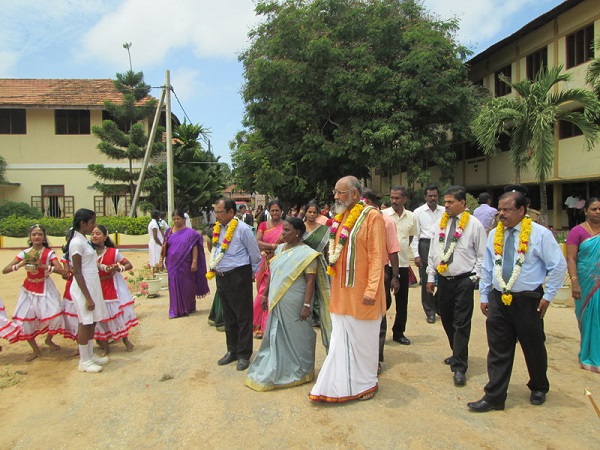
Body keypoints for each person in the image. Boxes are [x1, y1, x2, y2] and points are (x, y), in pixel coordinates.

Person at [468, 190, 567, 412]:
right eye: (500, 209)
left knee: (533, 346)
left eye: (507, 209)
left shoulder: (539, 234)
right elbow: (488, 266)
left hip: (528, 300)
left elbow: (557, 266)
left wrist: (549, 296)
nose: (501, 214)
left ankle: (539, 386)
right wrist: (484, 295)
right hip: (499, 298)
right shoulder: (495, 234)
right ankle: (494, 396)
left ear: (522, 211)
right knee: (498, 348)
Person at [309, 176, 387, 402]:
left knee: (364, 343)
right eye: (335, 192)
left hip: (363, 293)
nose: (335, 196)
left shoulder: (372, 217)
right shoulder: (340, 218)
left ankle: (367, 383)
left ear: (354, 194)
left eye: (340, 192)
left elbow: (377, 256)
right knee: (340, 341)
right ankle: (340, 384)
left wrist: (372, 290)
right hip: (342, 291)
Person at [245, 217, 319, 391]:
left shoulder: (307, 254)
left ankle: (302, 370)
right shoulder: (279, 249)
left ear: (298, 233)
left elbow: (310, 282)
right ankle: (279, 366)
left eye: (287, 231)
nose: (283, 234)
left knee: (298, 334)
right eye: (283, 230)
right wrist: (265, 294)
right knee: (276, 333)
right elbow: (272, 272)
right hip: (277, 299)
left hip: (296, 301)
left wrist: (307, 305)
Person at [426, 186, 487, 387]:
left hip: (464, 280)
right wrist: (430, 276)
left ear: (463, 204)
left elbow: (481, 255)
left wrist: (474, 278)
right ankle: (457, 352)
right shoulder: (439, 224)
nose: (446, 205)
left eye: (451, 202)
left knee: (461, 322)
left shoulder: (475, 225)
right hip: (444, 280)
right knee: (446, 317)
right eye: (446, 201)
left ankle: (460, 366)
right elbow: (434, 251)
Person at [209, 198, 261, 371]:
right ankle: (232, 351)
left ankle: (244, 354)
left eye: (219, 212)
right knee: (229, 316)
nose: (216, 215)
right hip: (222, 277)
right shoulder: (217, 229)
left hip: (239, 275)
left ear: (231, 212)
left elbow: (255, 254)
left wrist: (250, 274)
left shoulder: (243, 230)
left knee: (243, 316)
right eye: (216, 211)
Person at [2, 224, 66, 361]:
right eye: (34, 234)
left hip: (46, 287)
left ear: (44, 237)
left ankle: (49, 339)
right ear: (30, 237)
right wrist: (20, 264)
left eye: (39, 234)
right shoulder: (25, 253)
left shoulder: (49, 253)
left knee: (56, 315)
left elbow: (60, 269)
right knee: (24, 320)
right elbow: (5, 270)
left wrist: (43, 266)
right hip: (28, 290)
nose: (37, 237)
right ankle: (35, 350)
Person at [66, 209, 110, 373]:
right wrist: (88, 298)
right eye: (92, 222)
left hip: (92, 285)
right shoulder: (76, 243)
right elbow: (77, 271)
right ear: (82, 223)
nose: (93, 226)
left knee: (91, 322)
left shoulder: (83, 240)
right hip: (83, 288)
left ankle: (90, 355)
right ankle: (84, 361)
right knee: (85, 323)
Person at [362, 189, 400, 374]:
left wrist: (395, 276)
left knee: (379, 314)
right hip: (360, 274)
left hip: (380, 273)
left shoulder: (386, 221)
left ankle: (376, 358)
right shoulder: (356, 219)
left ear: (368, 202)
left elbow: (392, 250)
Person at [566, 197, 600, 373]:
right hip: (586, 282)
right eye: (594, 209)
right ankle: (589, 356)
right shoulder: (577, 232)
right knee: (589, 318)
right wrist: (574, 283)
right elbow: (571, 258)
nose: (598, 212)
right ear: (585, 211)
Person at [91, 225, 136, 355]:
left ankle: (125, 340)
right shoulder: (89, 253)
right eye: (93, 233)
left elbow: (128, 264)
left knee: (115, 314)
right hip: (96, 288)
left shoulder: (113, 252)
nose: (94, 236)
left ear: (105, 237)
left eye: (98, 233)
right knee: (100, 317)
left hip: (111, 287)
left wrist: (118, 269)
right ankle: (106, 347)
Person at [383, 185, 417, 345]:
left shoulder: (411, 217)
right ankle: (379, 332)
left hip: (403, 264)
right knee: (384, 300)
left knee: (402, 301)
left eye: (397, 198)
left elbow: (411, 238)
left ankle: (399, 332)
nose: (394, 201)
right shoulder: (383, 215)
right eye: (392, 197)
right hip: (384, 264)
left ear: (405, 199)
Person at [161, 209, 209, 318]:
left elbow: (194, 247)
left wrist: (194, 262)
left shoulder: (190, 233)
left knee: (187, 286)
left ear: (183, 219)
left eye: (178, 219)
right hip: (172, 264)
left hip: (186, 264)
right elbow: (164, 247)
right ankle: (175, 310)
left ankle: (189, 307)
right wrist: (161, 261)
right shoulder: (169, 231)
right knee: (173, 286)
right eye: (174, 219)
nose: (176, 221)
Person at [411, 185, 445, 323]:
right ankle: (430, 311)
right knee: (426, 279)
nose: (432, 198)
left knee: (444, 277)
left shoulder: (444, 211)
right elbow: (415, 235)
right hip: (425, 244)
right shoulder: (418, 212)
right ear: (425, 197)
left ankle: (440, 307)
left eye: (435, 195)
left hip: (441, 245)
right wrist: (416, 254)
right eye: (430, 196)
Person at [253, 200, 285, 339]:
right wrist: (272, 246)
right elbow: (257, 242)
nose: (275, 213)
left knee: (273, 294)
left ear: (281, 211)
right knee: (262, 293)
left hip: (279, 262)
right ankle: (258, 325)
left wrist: (272, 249)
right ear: (268, 211)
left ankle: (268, 326)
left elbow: (288, 243)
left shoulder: (286, 225)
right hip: (265, 262)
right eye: (272, 210)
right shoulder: (263, 225)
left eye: (277, 210)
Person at [302, 200, 332, 345]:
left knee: (325, 297)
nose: (312, 215)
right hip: (302, 267)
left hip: (319, 266)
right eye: (309, 212)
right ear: (305, 212)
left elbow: (327, 251)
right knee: (303, 297)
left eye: (314, 212)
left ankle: (326, 326)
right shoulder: (299, 228)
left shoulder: (323, 230)